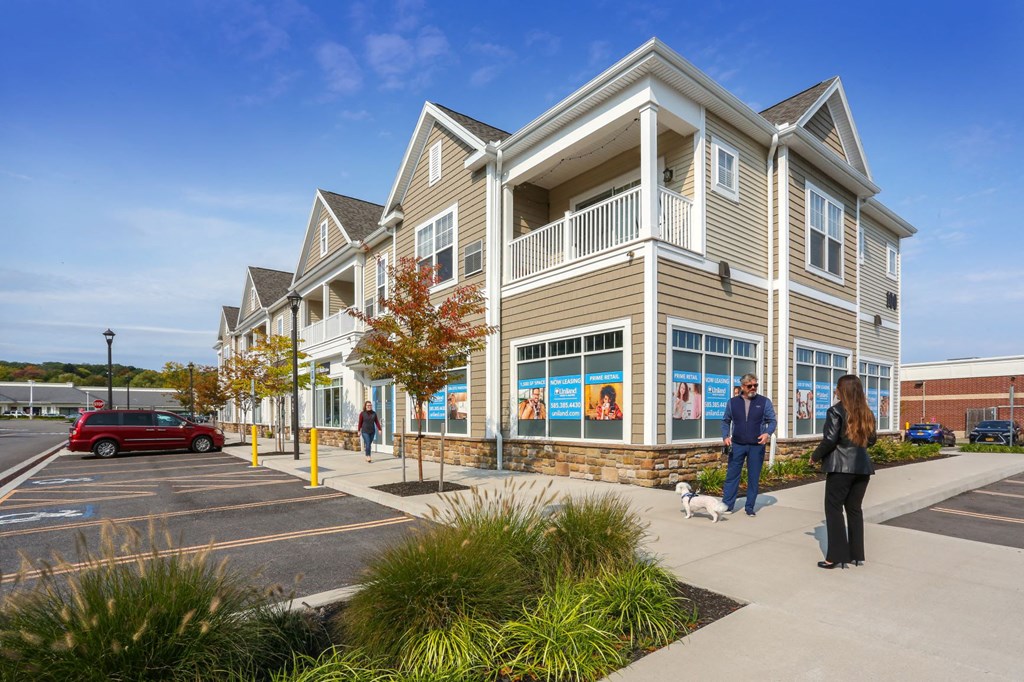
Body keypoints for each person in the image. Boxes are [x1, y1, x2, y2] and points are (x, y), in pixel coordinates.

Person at [810, 374, 876, 569]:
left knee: (834, 510)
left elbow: (830, 440)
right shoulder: (867, 413)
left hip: (840, 468)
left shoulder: (835, 411)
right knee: (854, 510)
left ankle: (835, 557)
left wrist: (814, 456)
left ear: (843, 390)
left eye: (837, 387)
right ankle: (856, 555)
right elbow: (871, 441)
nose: (835, 390)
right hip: (862, 468)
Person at [721, 373, 777, 516]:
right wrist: (725, 436)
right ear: (742, 387)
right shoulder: (732, 402)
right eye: (750, 386)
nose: (753, 388)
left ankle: (750, 507)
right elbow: (725, 420)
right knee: (732, 476)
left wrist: (767, 434)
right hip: (737, 445)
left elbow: (772, 421)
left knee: (753, 477)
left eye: (755, 385)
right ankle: (727, 505)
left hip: (756, 445)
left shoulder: (764, 402)